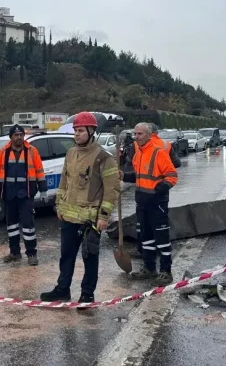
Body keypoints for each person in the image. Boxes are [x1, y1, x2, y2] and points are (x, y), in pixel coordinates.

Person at [40, 112, 120, 305]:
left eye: (81, 130)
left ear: (92, 131)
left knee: (89, 258)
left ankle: (87, 294)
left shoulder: (103, 158)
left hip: (89, 220)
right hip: (68, 217)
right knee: (66, 256)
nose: (77, 134)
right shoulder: (71, 153)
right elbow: (64, 182)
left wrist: (103, 216)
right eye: (75, 131)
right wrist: (59, 205)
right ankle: (62, 290)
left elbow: (112, 190)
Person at [120, 122, 178, 286]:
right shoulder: (139, 153)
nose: (136, 137)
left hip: (157, 203)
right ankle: (149, 268)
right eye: (135, 134)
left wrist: (160, 188)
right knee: (145, 237)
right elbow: (138, 176)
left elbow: (172, 176)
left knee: (161, 238)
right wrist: (124, 175)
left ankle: (166, 271)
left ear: (149, 135)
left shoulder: (159, 152)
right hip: (142, 202)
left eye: (139, 134)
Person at [0, 124, 48, 266]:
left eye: (21, 135)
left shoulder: (32, 151)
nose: (19, 137)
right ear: (11, 137)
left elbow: (39, 171)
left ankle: (32, 254)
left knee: (28, 225)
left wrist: (43, 190)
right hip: (9, 194)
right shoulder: (3, 151)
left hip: (26, 193)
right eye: (16, 135)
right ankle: (14, 253)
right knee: (12, 225)